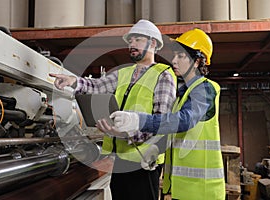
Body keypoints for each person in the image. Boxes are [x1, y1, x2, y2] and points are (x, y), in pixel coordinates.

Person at [49, 19, 177, 200]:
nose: (132, 45)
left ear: (153, 43)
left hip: (144, 162)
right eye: (130, 41)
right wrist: (73, 81)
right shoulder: (124, 72)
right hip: (120, 160)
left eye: (138, 40)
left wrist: (126, 133)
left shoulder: (163, 75)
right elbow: (97, 86)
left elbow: (159, 122)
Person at [97, 28, 226, 200]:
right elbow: (173, 132)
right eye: (174, 56)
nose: (173, 61)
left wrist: (138, 120)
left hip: (203, 190)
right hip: (185, 188)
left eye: (180, 56)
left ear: (197, 61)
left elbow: (184, 121)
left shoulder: (205, 88)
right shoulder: (182, 95)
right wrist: (154, 149)